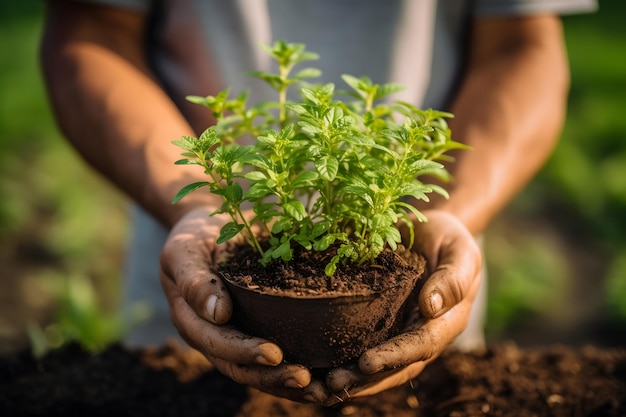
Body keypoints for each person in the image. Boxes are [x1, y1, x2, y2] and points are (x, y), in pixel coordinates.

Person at [40, 0, 596, 406]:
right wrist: (200, 202)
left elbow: (522, 44)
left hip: (421, 281)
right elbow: (90, 30)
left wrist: (451, 210)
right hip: (193, 276)